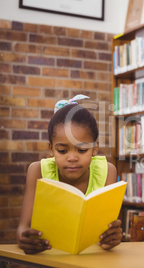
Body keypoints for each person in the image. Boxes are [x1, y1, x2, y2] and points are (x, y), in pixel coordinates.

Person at [17, 95, 122, 254]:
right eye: (62, 151)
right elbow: (22, 229)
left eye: (82, 150)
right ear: (51, 149)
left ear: (94, 149)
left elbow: (110, 234)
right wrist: (24, 239)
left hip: (92, 259)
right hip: (48, 257)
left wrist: (112, 238)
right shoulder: (37, 171)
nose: (72, 158)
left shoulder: (108, 171)